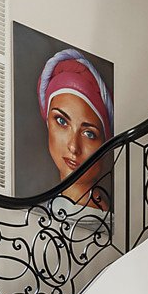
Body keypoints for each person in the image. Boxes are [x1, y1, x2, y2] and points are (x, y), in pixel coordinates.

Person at [37, 48, 113, 211]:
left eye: (89, 133)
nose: (73, 146)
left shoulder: (103, 219)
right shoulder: (47, 210)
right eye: (61, 121)